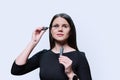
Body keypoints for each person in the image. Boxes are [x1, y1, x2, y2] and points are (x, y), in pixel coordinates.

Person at [11, 13, 92, 80]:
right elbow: (16, 70)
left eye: (65, 26)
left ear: (70, 31)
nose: (60, 29)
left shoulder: (79, 56)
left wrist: (70, 73)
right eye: (56, 26)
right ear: (51, 31)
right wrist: (33, 42)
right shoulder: (43, 55)